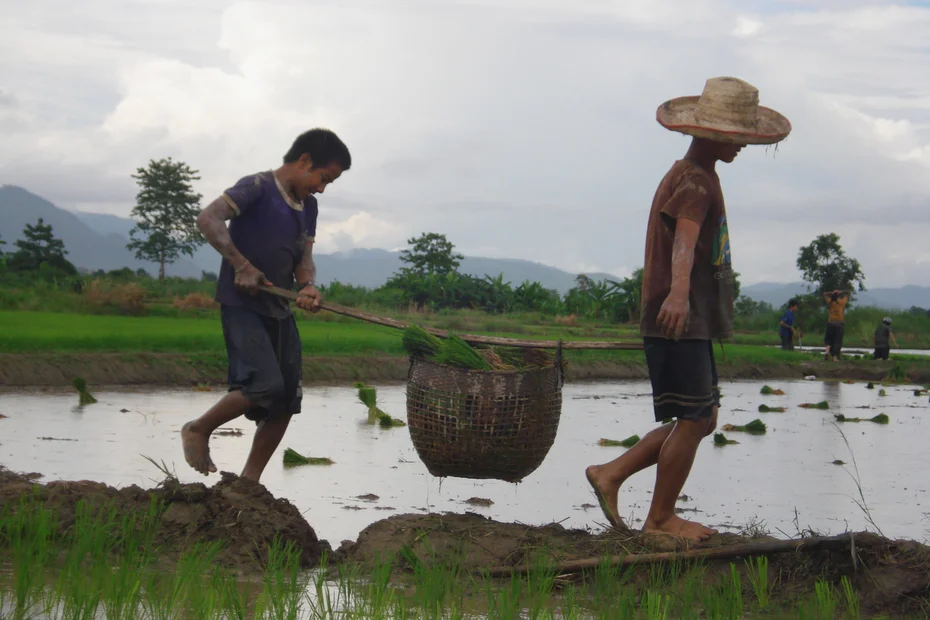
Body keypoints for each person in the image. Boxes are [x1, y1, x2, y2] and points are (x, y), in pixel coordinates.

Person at [585, 77, 791, 541]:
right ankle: (660, 519)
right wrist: (679, 293)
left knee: (702, 417)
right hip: (678, 316)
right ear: (710, 133)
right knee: (696, 418)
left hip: (685, 316)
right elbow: (686, 237)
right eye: (733, 138)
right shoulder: (696, 182)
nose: (739, 146)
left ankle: (611, 473)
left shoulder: (691, 172)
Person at [181, 128, 352, 482]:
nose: (321, 188)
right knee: (264, 386)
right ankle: (198, 428)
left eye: (328, 183)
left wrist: (307, 286)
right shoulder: (257, 187)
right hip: (243, 305)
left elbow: (304, 257)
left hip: (280, 308)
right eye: (323, 178)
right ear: (304, 161)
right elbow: (208, 219)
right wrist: (242, 267)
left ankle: (248, 482)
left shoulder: (309, 207)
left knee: (287, 398)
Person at [823, 290, 849, 361]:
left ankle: (827, 351)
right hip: (839, 323)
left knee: (828, 338)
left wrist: (832, 293)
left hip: (831, 322)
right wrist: (840, 292)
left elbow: (824, 293)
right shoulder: (842, 302)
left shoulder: (830, 302)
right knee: (838, 340)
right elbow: (847, 293)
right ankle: (835, 357)